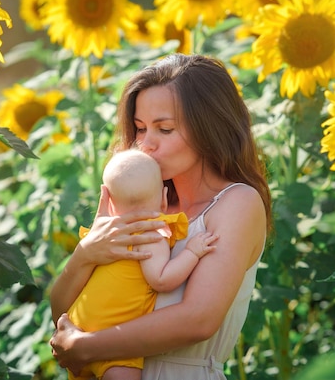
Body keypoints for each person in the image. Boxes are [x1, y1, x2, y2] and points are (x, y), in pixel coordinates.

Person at [49, 53, 272, 380]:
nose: (145, 145)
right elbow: (62, 317)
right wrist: (85, 255)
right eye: (139, 129)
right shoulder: (140, 205)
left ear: (209, 127)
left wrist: (89, 347)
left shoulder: (236, 203)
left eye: (164, 129)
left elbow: (198, 319)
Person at [67, 148, 217, 380]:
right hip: (112, 341)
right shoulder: (149, 233)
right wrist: (191, 252)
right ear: (164, 199)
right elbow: (162, 280)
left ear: (108, 202)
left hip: (78, 327)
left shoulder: (103, 234)